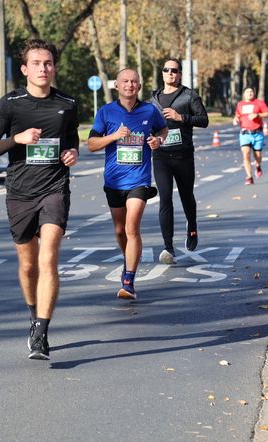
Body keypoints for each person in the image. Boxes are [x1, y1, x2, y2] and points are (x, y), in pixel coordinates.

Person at [0, 39, 79, 361]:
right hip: (20, 192)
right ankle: (33, 314)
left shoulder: (67, 103)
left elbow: (72, 140)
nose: (43, 69)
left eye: (48, 63)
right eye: (36, 63)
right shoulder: (10, 104)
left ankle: (41, 332)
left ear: (54, 67)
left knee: (48, 258)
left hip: (55, 188)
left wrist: (72, 153)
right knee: (27, 264)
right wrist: (16, 139)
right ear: (25, 69)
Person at [87, 68, 168, 300]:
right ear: (117, 86)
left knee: (132, 228)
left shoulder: (150, 111)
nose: (130, 85)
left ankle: (128, 281)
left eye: (134, 82)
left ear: (139, 87)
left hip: (139, 179)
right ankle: (128, 259)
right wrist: (114, 136)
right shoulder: (106, 112)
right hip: (114, 180)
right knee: (120, 230)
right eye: (125, 81)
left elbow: (162, 128)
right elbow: (91, 144)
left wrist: (158, 140)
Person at [150, 57, 209, 264]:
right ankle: (168, 247)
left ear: (180, 74)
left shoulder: (189, 95)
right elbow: (148, 124)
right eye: (166, 70)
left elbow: (204, 120)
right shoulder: (154, 98)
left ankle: (192, 226)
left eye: (174, 70)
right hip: (161, 156)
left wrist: (180, 117)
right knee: (165, 199)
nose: (170, 73)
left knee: (186, 196)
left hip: (183, 156)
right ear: (162, 73)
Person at [232, 87, 268, 185]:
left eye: (251, 91)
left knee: (258, 156)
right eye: (247, 92)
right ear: (244, 94)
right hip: (245, 133)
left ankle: (258, 166)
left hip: (257, 133)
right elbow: (238, 114)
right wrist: (236, 119)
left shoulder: (259, 103)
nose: (250, 93)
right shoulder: (240, 104)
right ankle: (249, 176)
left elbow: (267, 113)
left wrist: (258, 115)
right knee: (246, 153)